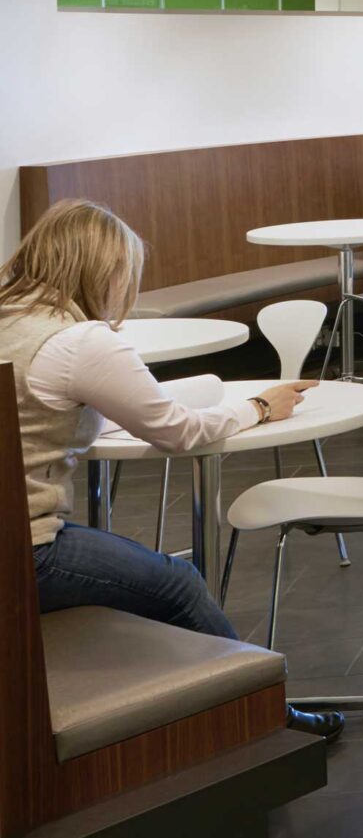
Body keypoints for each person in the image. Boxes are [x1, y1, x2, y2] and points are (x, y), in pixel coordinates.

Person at [2, 199, 343, 739]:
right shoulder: (79, 342)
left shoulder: (13, 319)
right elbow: (178, 433)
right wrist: (259, 406)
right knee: (179, 584)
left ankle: (198, 713)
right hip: (28, 552)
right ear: (106, 269)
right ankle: (265, 721)